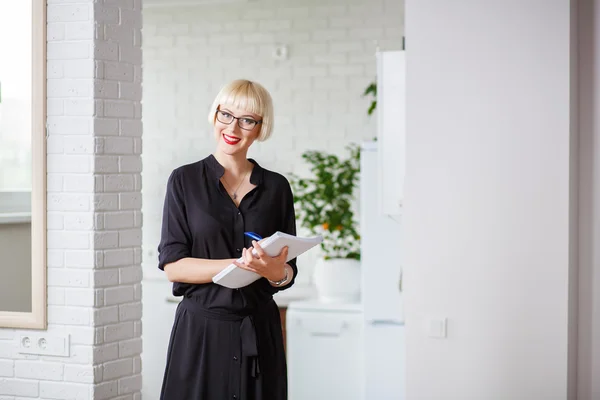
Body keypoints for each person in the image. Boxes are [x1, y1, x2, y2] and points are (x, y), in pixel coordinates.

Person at [157, 79, 298, 400]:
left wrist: (274, 271)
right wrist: (240, 265)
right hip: (200, 334)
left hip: (260, 332)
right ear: (215, 115)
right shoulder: (184, 180)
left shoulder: (277, 188)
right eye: (226, 115)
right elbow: (174, 267)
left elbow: (287, 272)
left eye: (247, 119)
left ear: (261, 128)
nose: (233, 127)